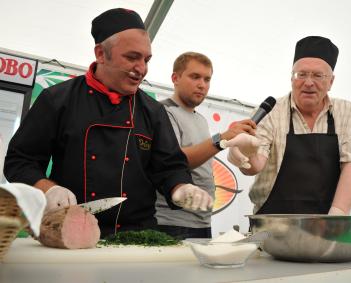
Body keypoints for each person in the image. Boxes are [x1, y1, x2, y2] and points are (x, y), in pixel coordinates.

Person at [3, 8, 212, 237]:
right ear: (101, 54)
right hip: (69, 231)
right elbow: (20, 160)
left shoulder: (152, 111)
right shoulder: (58, 99)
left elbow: (169, 166)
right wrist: (47, 188)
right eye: (132, 57)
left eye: (146, 59)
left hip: (137, 236)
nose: (141, 68)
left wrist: (180, 186)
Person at [225, 36, 351, 215]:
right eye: (301, 74)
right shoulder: (271, 111)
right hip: (272, 222)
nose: (308, 82)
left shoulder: (347, 112)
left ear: (331, 82)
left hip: (327, 223)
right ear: (291, 78)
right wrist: (245, 153)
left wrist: (337, 215)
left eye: (318, 75)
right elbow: (255, 166)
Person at [155, 52, 256, 239]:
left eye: (207, 79)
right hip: (171, 222)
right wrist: (222, 139)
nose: (202, 84)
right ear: (175, 78)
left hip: (202, 221)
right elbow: (173, 162)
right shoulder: (163, 112)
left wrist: (234, 145)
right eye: (195, 77)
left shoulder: (200, 119)